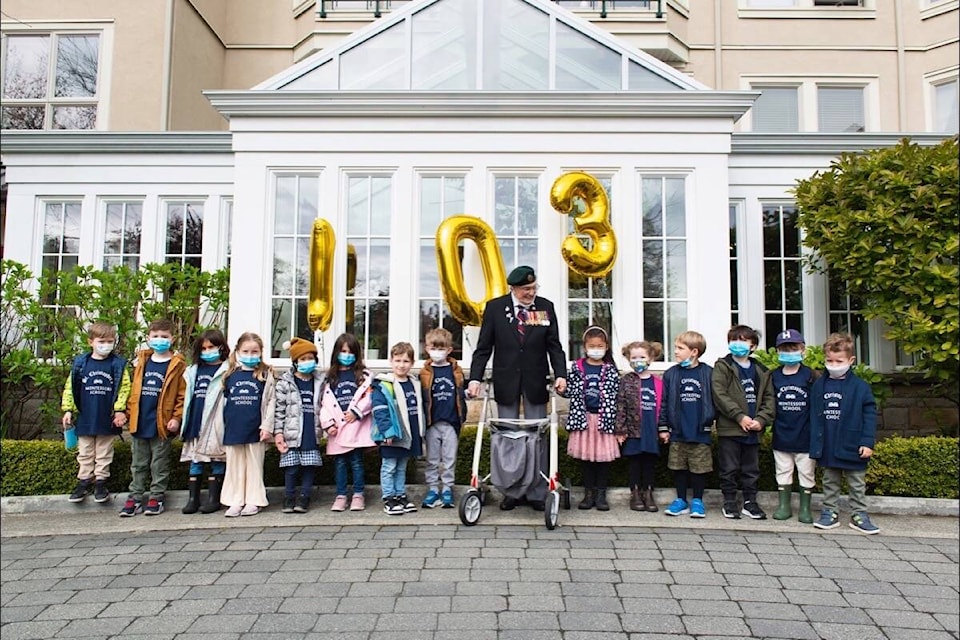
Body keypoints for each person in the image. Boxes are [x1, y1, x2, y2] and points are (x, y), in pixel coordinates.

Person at [467, 265, 568, 511]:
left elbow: (554, 346)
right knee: (507, 436)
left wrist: (561, 374)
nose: (531, 293)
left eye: (534, 288)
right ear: (513, 288)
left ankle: (536, 491)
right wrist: (475, 378)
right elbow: (483, 348)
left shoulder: (545, 307)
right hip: (506, 381)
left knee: (537, 435)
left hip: (535, 381)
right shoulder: (494, 308)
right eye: (526, 289)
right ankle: (510, 490)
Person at [810, 332, 879, 534]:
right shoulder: (819, 385)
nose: (834, 364)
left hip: (853, 443)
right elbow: (813, 416)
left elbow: (869, 417)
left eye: (839, 360)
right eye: (829, 360)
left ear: (851, 360)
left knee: (857, 483)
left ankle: (859, 514)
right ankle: (829, 512)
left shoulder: (861, 387)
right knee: (830, 481)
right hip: (828, 444)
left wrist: (867, 442)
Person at [121, 319, 187, 517]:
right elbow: (132, 391)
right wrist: (127, 413)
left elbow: (182, 395)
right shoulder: (141, 362)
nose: (160, 340)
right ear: (148, 339)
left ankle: (156, 497)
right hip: (140, 421)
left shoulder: (177, 365)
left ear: (172, 339)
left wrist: (177, 417)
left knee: (159, 463)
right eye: (155, 336)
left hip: (161, 423)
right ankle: (135, 496)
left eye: (164, 337)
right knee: (138, 463)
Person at [61, 320, 131, 504]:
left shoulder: (117, 365)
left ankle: (101, 482)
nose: (106, 345)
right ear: (90, 341)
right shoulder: (80, 364)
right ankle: (83, 481)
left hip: (106, 416)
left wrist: (119, 410)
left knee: (104, 452)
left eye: (110, 341)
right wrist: (68, 409)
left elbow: (124, 389)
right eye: (102, 341)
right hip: (86, 415)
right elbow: (70, 387)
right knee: (84, 451)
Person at [712, 324, 775, 520]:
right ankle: (729, 501)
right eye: (733, 340)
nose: (737, 344)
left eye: (742, 340)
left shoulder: (762, 371)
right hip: (730, 429)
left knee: (751, 469)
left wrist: (761, 420)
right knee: (729, 468)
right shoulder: (723, 367)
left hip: (753, 430)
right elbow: (719, 394)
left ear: (753, 346)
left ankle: (750, 502)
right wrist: (739, 416)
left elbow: (770, 399)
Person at [658, 331, 715, 518]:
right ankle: (681, 499)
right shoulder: (671, 374)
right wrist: (664, 427)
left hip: (700, 430)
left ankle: (697, 500)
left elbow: (715, 400)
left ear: (694, 352)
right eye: (675, 347)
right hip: (678, 430)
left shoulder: (708, 373)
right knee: (678, 467)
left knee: (699, 468)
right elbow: (664, 402)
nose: (675, 351)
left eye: (680, 348)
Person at [563, 326, 620, 511]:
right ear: (585, 347)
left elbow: (616, 395)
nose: (596, 349)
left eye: (600, 345)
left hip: (603, 421)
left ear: (606, 347)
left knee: (603, 461)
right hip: (584, 420)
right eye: (592, 345)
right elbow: (570, 390)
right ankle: (588, 494)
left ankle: (601, 495)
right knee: (587, 460)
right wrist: (561, 388)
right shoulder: (577, 366)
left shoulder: (610, 369)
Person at [764, 329, 818, 523]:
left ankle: (805, 508)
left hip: (805, 435)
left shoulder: (811, 375)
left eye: (793, 348)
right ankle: (784, 505)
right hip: (782, 434)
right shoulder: (773, 376)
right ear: (777, 351)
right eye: (784, 349)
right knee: (783, 471)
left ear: (803, 350)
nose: (789, 352)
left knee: (806, 472)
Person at [319, 333, 375, 512]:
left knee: (357, 462)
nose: (347, 355)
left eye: (351, 352)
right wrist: (328, 423)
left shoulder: (363, 376)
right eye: (343, 351)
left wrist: (356, 413)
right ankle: (341, 495)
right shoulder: (329, 378)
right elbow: (323, 403)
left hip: (355, 427)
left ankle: (358, 494)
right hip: (337, 428)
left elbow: (369, 397)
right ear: (336, 352)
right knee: (340, 463)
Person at [221, 332, 275, 517]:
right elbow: (223, 403)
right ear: (237, 351)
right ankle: (235, 500)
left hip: (256, 429)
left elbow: (271, 402)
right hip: (234, 428)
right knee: (235, 467)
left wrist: (267, 426)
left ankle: (254, 500)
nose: (250, 355)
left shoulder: (265, 375)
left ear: (261, 352)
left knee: (254, 466)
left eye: (255, 351)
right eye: (246, 351)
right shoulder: (229, 375)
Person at [179, 329, 230, 514]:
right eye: (204, 348)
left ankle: (213, 498)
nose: (207, 351)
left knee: (216, 458)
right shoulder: (193, 371)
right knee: (195, 460)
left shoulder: (227, 370)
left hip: (215, 422)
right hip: (195, 420)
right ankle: (193, 499)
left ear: (221, 347)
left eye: (212, 347)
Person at [371, 342, 424, 516]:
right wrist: (386, 431)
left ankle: (400, 495)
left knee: (401, 467)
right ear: (390, 361)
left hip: (408, 434)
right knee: (389, 467)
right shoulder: (384, 384)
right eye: (398, 360)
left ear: (412, 362)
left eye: (406, 361)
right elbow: (379, 409)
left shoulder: (414, 383)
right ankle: (389, 497)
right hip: (393, 434)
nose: (401, 365)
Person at [419, 327, 468, 510]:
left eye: (441, 348)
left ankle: (447, 489)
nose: (437, 352)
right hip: (432, 422)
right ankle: (432, 489)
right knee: (431, 459)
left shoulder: (456, 371)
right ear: (427, 348)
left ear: (449, 350)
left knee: (449, 459)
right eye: (434, 347)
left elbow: (462, 393)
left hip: (451, 422)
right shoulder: (424, 373)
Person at [274, 337, 323, 514]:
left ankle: (304, 497)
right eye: (303, 359)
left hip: (311, 431)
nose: (307, 362)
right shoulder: (285, 383)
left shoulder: (319, 382)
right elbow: (279, 410)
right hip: (292, 433)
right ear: (295, 362)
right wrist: (278, 433)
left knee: (309, 467)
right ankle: (288, 497)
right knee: (292, 468)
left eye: (310, 358)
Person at [615, 340, 663, 512]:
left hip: (651, 429)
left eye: (642, 357)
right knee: (634, 463)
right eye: (634, 357)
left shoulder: (658, 382)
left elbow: (663, 407)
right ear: (628, 359)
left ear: (650, 358)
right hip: (633, 430)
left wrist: (663, 429)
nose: (638, 361)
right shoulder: (626, 380)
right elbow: (620, 406)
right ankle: (635, 493)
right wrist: (620, 430)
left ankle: (648, 492)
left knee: (649, 462)